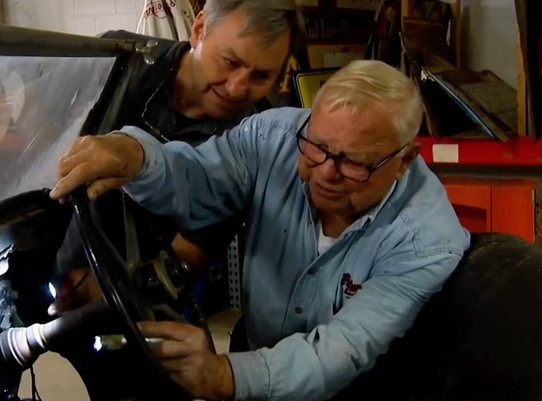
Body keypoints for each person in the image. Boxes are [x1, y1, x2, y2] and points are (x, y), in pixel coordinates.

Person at [49, 59, 471, 400]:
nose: (325, 172)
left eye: (354, 163)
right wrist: (136, 154)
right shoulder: (275, 137)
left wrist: (222, 375)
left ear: (405, 159)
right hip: (255, 350)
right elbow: (197, 180)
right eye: (317, 146)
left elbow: (341, 350)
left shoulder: (427, 241)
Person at [51, 0, 305, 313]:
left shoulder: (256, 142)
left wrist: (111, 296)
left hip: (126, 302)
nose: (236, 87)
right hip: (37, 259)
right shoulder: (118, 61)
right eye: (229, 61)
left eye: (261, 76)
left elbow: (188, 253)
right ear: (199, 29)